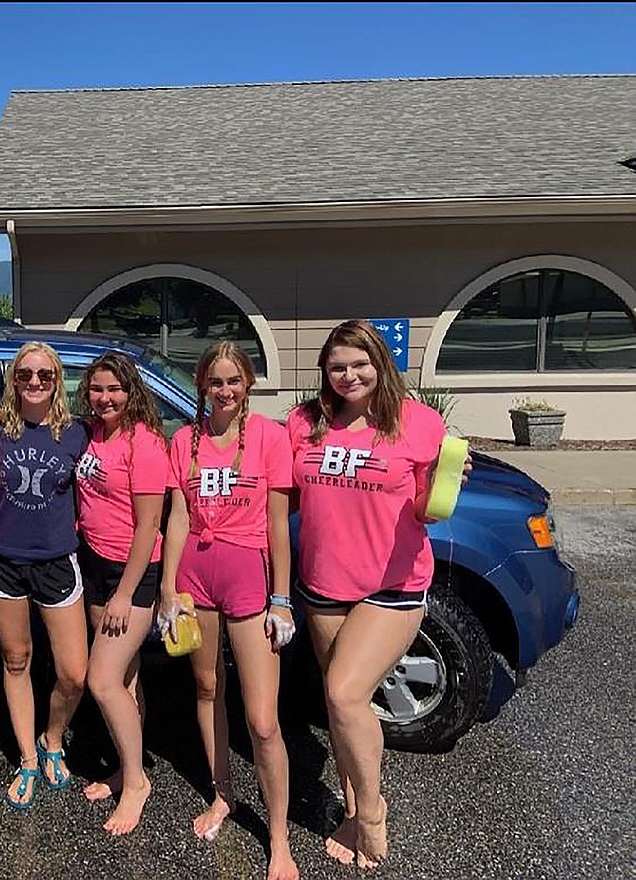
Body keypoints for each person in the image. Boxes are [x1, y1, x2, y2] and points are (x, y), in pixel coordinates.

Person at [287, 319, 470, 869]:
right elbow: (282, 495)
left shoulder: (417, 422)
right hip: (321, 585)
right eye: (337, 366)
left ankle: (371, 813)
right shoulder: (306, 423)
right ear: (325, 371)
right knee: (343, 706)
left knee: (344, 694)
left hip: (392, 584)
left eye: (360, 364)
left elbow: (426, 507)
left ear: (380, 365)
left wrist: (448, 480)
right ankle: (349, 805)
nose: (349, 375)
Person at [159, 342, 299, 880]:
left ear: (248, 385)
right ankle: (224, 795)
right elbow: (176, 517)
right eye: (215, 382)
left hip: (247, 579)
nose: (224, 391)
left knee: (263, 720)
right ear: (202, 386)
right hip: (195, 577)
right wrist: (169, 588)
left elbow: (277, 523)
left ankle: (280, 837)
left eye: (233, 381)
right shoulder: (183, 440)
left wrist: (281, 597)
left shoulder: (267, 437)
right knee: (207, 688)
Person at [0, 342, 90, 811]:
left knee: (74, 672)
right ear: (13, 379)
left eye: (45, 375)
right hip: (3, 558)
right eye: (25, 374)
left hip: (56, 560)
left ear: (57, 379)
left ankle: (52, 736)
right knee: (16, 659)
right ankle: (28, 757)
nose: (34, 382)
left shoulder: (78, 433)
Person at [74, 350, 169, 836]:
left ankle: (136, 782)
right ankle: (123, 765)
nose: (105, 398)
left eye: (114, 389)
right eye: (97, 388)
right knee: (126, 679)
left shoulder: (145, 443)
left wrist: (124, 593)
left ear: (131, 392)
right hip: (94, 564)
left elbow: (150, 523)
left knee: (102, 679)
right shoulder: (92, 434)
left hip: (131, 575)